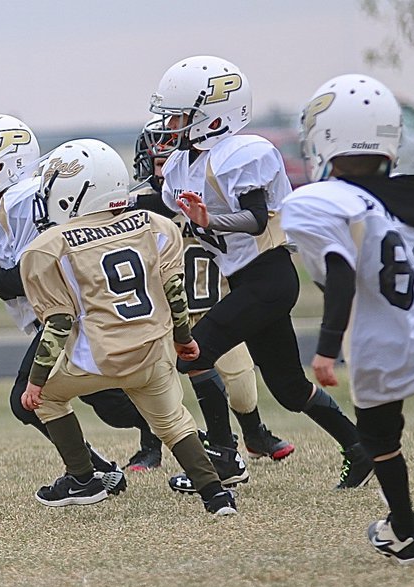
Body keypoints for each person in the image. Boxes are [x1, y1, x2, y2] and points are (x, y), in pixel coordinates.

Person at [142, 55, 371, 493]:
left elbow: (256, 218)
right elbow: (164, 207)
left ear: (213, 116)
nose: (171, 123)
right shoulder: (181, 163)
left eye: (180, 114)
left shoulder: (243, 153)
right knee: (287, 387)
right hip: (250, 281)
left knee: (194, 353)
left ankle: (224, 460)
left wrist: (210, 222)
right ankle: (358, 447)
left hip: (268, 276)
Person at [0, 113, 156, 489]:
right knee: (112, 403)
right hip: (64, 322)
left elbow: (32, 280)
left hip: (75, 318)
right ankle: (163, 445)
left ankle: (94, 472)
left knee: (30, 399)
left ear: (0, 165)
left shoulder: (29, 201)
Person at [18, 138, 236, 516]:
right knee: (173, 422)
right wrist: (184, 339)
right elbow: (174, 293)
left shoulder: (47, 247)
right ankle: (217, 497)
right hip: (152, 349)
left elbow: (58, 322)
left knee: (50, 399)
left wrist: (36, 380)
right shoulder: (157, 226)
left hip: (98, 357)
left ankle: (83, 479)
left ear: (77, 191)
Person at [282, 74, 414, 564]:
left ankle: (405, 532)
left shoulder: (320, 201)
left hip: (383, 341)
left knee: (379, 439)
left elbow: (340, 272)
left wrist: (326, 348)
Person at [130, 128, 294, 471]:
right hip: (164, 312)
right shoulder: (137, 204)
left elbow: (252, 219)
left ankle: (254, 435)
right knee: (155, 385)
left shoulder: (212, 192)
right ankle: (151, 447)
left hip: (213, 302)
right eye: (158, 162)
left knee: (243, 387)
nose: (164, 171)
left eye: (168, 161)